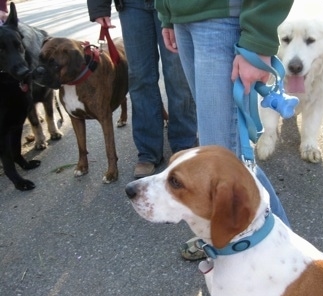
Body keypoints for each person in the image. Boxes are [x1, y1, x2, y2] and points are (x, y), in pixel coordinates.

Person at [155, 0, 294, 259]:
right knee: (226, 156)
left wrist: (257, 38)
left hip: (221, 18)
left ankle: (286, 260)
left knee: (228, 162)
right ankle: (227, 239)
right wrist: (168, 13)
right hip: (184, 17)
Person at [87, 0, 197, 178]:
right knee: (139, 77)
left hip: (173, 3)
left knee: (178, 75)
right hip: (132, 6)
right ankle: (148, 151)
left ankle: (184, 144)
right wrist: (99, 6)